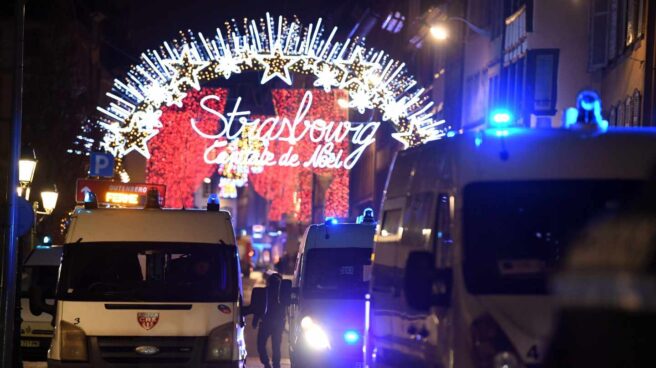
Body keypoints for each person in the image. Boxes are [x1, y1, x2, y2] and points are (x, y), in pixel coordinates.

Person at [253, 273, 286, 368]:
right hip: (277, 323)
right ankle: (275, 364)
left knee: (262, 344)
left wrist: (255, 321)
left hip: (267, 322)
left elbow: (259, 307)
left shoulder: (265, 292)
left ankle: (268, 363)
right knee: (276, 346)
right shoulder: (283, 294)